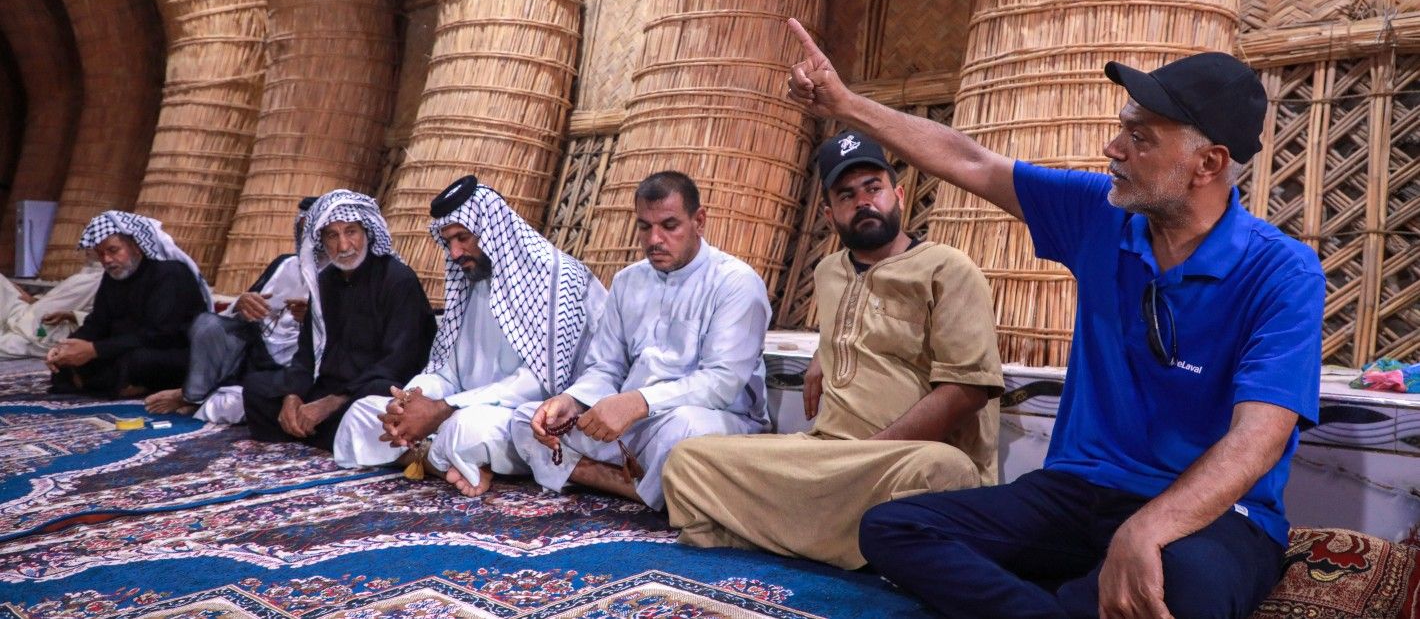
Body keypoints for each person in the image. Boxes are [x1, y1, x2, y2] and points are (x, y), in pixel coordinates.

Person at [786, 19, 1323, 618]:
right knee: (893, 528)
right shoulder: (1099, 215)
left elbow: (1257, 440)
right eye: (1122, 129)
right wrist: (845, 104)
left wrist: (1146, 530)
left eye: (1140, 138)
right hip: (1075, 495)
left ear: (1208, 163)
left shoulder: (1283, 272)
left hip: (1213, 515)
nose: (1113, 149)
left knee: (1180, 594)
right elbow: (970, 161)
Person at [662, 131, 1004, 569]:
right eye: (847, 195)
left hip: (898, 459)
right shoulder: (829, 272)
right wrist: (825, 352)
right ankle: (851, 543)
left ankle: (771, 534)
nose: (863, 202)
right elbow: (862, 324)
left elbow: (966, 391)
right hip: (824, 453)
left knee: (944, 472)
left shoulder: (948, 269)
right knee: (689, 460)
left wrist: (868, 454)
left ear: (897, 195)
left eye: (873, 188)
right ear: (829, 213)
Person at [510, 171, 771, 511]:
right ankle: (637, 487)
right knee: (527, 419)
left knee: (684, 431)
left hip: (713, 420)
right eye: (645, 227)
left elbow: (721, 383)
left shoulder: (736, 283)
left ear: (699, 221)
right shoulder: (627, 281)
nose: (655, 239)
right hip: (637, 423)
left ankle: (610, 478)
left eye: (669, 225)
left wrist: (637, 402)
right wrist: (572, 401)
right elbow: (606, 367)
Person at [333, 175, 607, 497]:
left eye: (462, 237)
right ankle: (449, 465)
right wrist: (409, 403)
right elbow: (447, 372)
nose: (454, 252)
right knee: (363, 413)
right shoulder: (471, 284)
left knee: (465, 430)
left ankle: (437, 456)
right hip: (461, 408)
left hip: (527, 416)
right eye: (448, 241)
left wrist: (443, 410)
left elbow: (541, 383)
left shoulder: (556, 279)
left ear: (492, 231)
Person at [242, 190, 435, 451]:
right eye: (332, 235)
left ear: (366, 231)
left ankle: (322, 433)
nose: (343, 246)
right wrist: (293, 396)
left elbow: (399, 362)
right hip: (325, 388)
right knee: (257, 387)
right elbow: (306, 354)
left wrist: (332, 403)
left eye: (351, 232)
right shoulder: (325, 282)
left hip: (365, 390)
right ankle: (328, 435)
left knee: (377, 399)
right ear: (321, 241)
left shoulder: (398, 280)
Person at [144, 197, 317, 422]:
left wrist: (313, 319)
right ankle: (195, 395)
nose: (308, 239)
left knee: (231, 406)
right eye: (303, 230)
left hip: (302, 363)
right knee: (208, 325)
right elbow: (245, 311)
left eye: (316, 232)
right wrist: (242, 303)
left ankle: (197, 397)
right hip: (257, 353)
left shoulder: (341, 275)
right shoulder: (285, 263)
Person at [45, 212, 211, 397]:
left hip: (172, 351)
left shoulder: (169, 274)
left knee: (138, 361)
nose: (107, 260)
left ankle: (113, 384)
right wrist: (66, 347)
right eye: (101, 254)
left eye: (113, 250)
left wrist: (95, 350)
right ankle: (117, 385)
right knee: (67, 364)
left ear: (137, 246)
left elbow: (160, 335)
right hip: (124, 348)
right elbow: (98, 323)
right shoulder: (112, 277)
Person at [0, 264, 102, 361]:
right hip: (27, 313)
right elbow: (55, 299)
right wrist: (32, 299)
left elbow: (108, 321)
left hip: (45, 332)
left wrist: (71, 316)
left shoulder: (107, 282)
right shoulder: (87, 274)